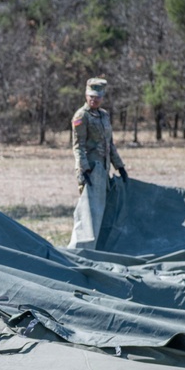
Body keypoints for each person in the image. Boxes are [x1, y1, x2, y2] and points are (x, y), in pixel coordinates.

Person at [68, 77, 129, 250]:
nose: (94, 99)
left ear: (102, 97)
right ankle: (80, 250)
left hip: (104, 169)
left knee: (101, 212)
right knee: (88, 213)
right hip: (90, 171)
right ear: (86, 95)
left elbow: (110, 144)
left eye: (97, 97)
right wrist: (84, 169)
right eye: (91, 96)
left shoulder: (104, 115)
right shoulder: (81, 116)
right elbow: (78, 146)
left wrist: (120, 167)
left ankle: (96, 249)